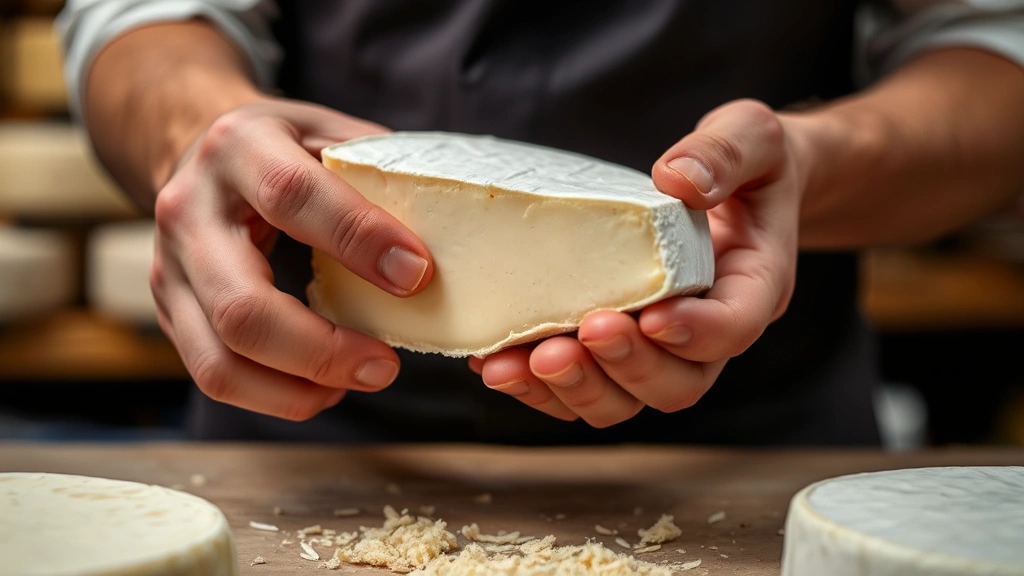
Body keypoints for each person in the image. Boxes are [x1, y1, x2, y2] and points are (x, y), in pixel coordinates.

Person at [58, 1, 1024, 445]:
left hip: (750, 429)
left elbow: (991, 50)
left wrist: (810, 163)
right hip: (311, 426)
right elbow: (143, 19)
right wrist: (197, 127)